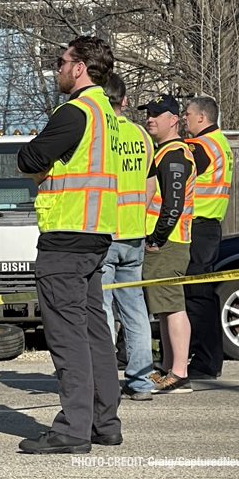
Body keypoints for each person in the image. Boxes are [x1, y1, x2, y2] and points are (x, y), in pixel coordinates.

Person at [16, 35, 122, 454]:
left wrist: (39, 161)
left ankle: (73, 429)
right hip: (96, 234)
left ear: (80, 67)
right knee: (95, 329)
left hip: (66, 236)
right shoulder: (110, 117)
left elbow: (28, 158)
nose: (57, 68)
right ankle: (103, 421)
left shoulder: (75, 112)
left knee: (67, 335)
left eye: (61, 62)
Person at [101, 73, 156, 401]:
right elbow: (150, 186)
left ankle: (106, 383)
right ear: (123, 100)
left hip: (105, 233)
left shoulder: (101, 133)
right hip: (135, 232)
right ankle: (141, 383)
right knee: (135, 312)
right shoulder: (141, 135)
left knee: (103, 310)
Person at [139, 94, 196, 394]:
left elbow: (172, 205)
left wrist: (156, 240)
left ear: (173, 119)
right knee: (164, 307)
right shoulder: (165, 152)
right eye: (148, 112)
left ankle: (179, 372)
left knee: (172, 306)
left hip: (169, 243)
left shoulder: (174, 155)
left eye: (157, 113)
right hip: (167, 242)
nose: (150, 117)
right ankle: (167, 369)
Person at [183, 97, 233, 380]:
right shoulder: (221, 144)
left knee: (196, 295)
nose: (184, 118)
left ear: (202, 117)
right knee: (203, 294)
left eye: (188, 114)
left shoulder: (199, 147)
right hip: (210, 225)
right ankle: (208, 358)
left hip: (196, 226)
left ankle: (203, 360)